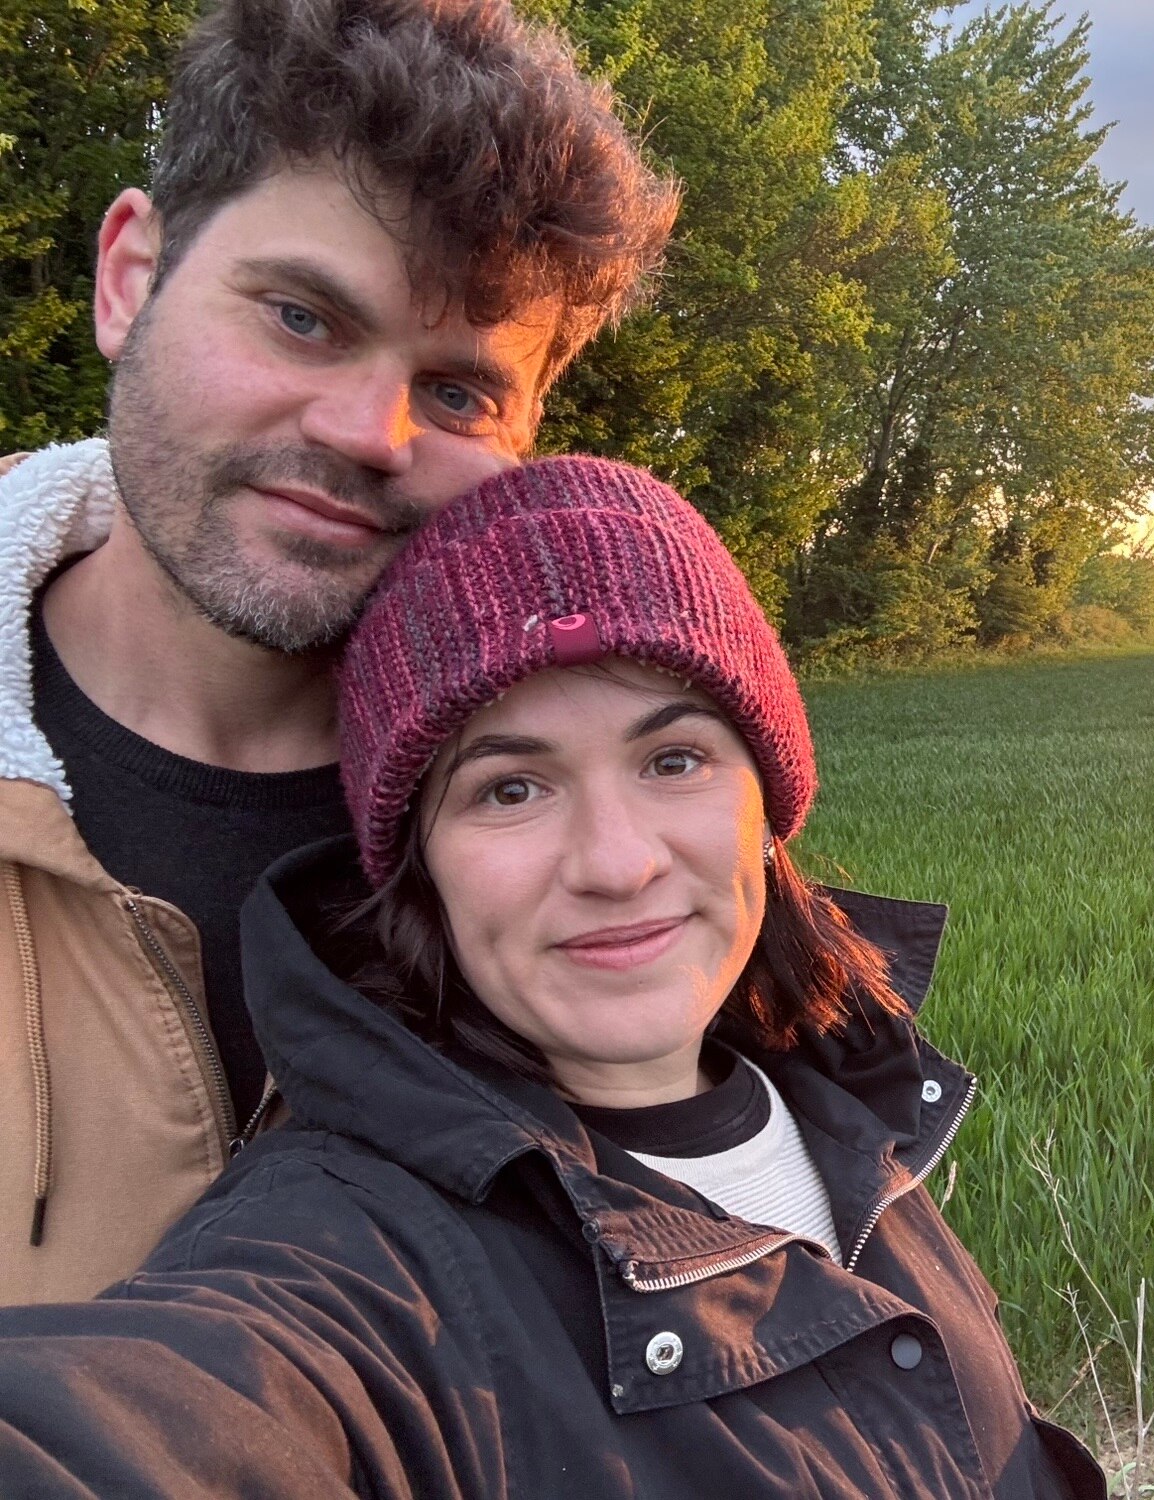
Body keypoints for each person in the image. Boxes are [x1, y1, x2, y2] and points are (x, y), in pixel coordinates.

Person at [0, 456, 1104, 1498]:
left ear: (764, 806)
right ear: (420, 867)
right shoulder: (352, 1256)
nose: (617, 864)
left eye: (674, 761)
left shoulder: (851, 1109)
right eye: (510, 790)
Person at [0, 0, 678, 1301]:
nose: (374, 430)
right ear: (129, 279)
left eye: (460, 390)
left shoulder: (603, 832)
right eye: (304, 316)